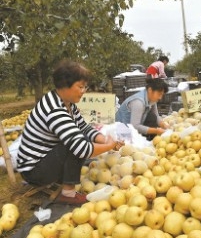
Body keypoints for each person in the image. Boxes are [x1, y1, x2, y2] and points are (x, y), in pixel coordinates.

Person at [16, 60, 124, 205]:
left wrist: (105, 140)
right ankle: (68, 194)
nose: (83, 91)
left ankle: (63, 178)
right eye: (80, 87)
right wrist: (109, 146)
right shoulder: (55, 110)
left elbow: (84, 128)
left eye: (85, 87)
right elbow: (81, 149)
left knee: (78, 136)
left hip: (44, 159)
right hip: (34, 171)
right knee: (73, 144)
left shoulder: (67, 104)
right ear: (65, 84)